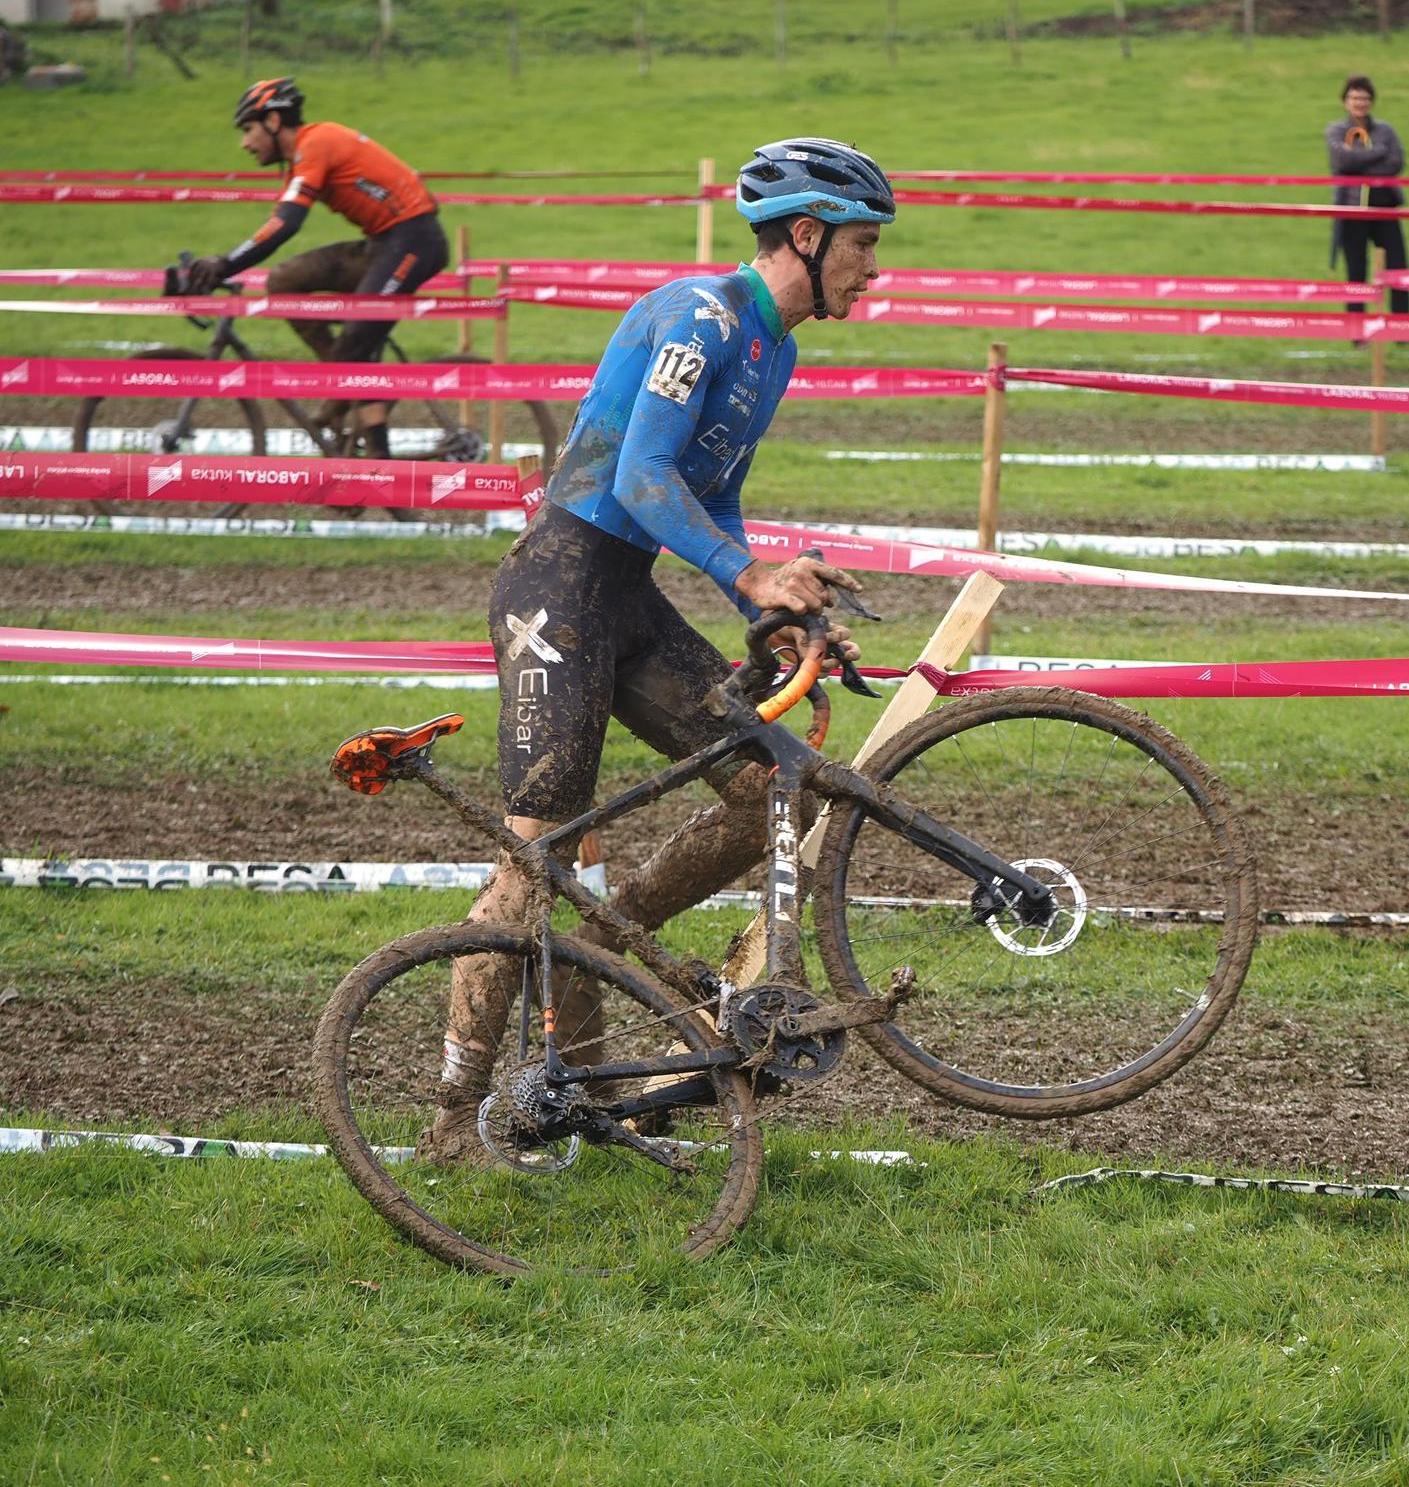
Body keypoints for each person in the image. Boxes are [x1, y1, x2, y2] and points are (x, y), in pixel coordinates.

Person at [421, 137, 896, 1162]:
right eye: (861, 245)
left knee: (783, 789)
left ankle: (603, 944)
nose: (873, 268)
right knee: (532, 859)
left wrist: (767, 605)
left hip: (625, 601)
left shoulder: (774, 350)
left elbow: (707, 491)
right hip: (558, 587)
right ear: (805, 237)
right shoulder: (700, 314)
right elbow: (640, 477)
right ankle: (451, 1116)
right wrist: (749, 574)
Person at [183, 77, 449, 456]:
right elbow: (278, 222)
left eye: (248, 130)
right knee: (285, 280)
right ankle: (345, 379)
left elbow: (286, 224)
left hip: (415, 242)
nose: (244, 143)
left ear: (274, 121)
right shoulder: (300, 160)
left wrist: (225, 265)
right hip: (383, 243)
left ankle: (355, 414)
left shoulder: (316, 143)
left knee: (357, 336)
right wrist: (224, 265)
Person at [1324, 74, 1409, 322]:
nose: (1359, 103)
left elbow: (1395, 163)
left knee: (1397, 269)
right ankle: (1357, 329)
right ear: (1345, 101)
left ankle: (1401, 327)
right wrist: (1377, 154)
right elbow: (1343, 160)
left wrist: (1361, 162)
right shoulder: (1336, 130)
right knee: (1355, 271)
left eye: (1364, 98)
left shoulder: (1385, 130)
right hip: (1351, 209)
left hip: (1385, 207)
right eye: (1354, 97)